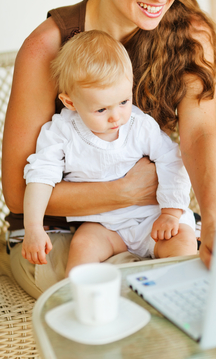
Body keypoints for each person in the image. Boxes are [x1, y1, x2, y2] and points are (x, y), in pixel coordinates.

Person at [2, 0, 216, 299]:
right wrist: (126, 188)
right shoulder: (48, 47)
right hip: (56, 227)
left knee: (207, 282)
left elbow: (199, 136)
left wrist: (215, 218)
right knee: (116, 296)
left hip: (145, 216)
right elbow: (18, 194)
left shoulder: (190, 35)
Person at [22, 30, 197, 275]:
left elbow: (172, 159)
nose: (117, 116)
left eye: (124, 101)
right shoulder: (61, 132)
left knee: (183, 244)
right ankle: (81, 299)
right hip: (103, 225)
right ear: (70, 102)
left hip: (152, 218)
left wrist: (170, 213)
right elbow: (40, 176)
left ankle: (177, 294)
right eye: (101, 109)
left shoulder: (139, 125)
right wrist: (33, 228)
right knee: (83, 246)